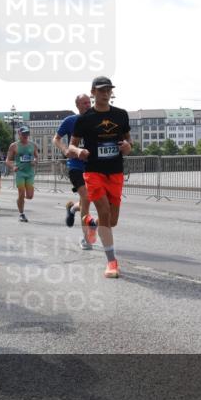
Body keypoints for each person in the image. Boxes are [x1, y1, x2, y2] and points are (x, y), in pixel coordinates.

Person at [69, 76, 131, 278]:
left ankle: (91, 222)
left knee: (111, 221)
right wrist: (78, 151)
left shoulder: (121, 115)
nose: (106, 93)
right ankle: (111, 262)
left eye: (108, 90)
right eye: (101, 90)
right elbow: (72, 144)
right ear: (93, 92)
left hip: (115, 172)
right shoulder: (85, 119)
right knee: (104, 210)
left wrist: (128, 147)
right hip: (93, 171)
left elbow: (128, 142)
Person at [55, 93, 97, 249]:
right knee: (86, 196)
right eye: (85, 102)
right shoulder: (70, 121)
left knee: (89, 199)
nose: (88, 105)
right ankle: (86, 238)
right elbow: (56, 139)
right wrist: (65, 150)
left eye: (89, 102)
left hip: (93, 167)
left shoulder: (95, 120)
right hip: (76, 166)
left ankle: (72, 208)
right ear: (77, 105)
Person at [6, 126, 38, 222]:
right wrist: (13, 167)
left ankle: (20, 200)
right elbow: (7, 160)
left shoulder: (33, 145)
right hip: (20, 172)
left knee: (29, 196)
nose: (25, 135)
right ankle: (21, 213)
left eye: (27, 133)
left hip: (30, 173)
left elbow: (37, 157)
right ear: (19, 134)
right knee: (21, 193)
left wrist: (35, 161)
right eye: (23, 133)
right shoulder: (14, 146)